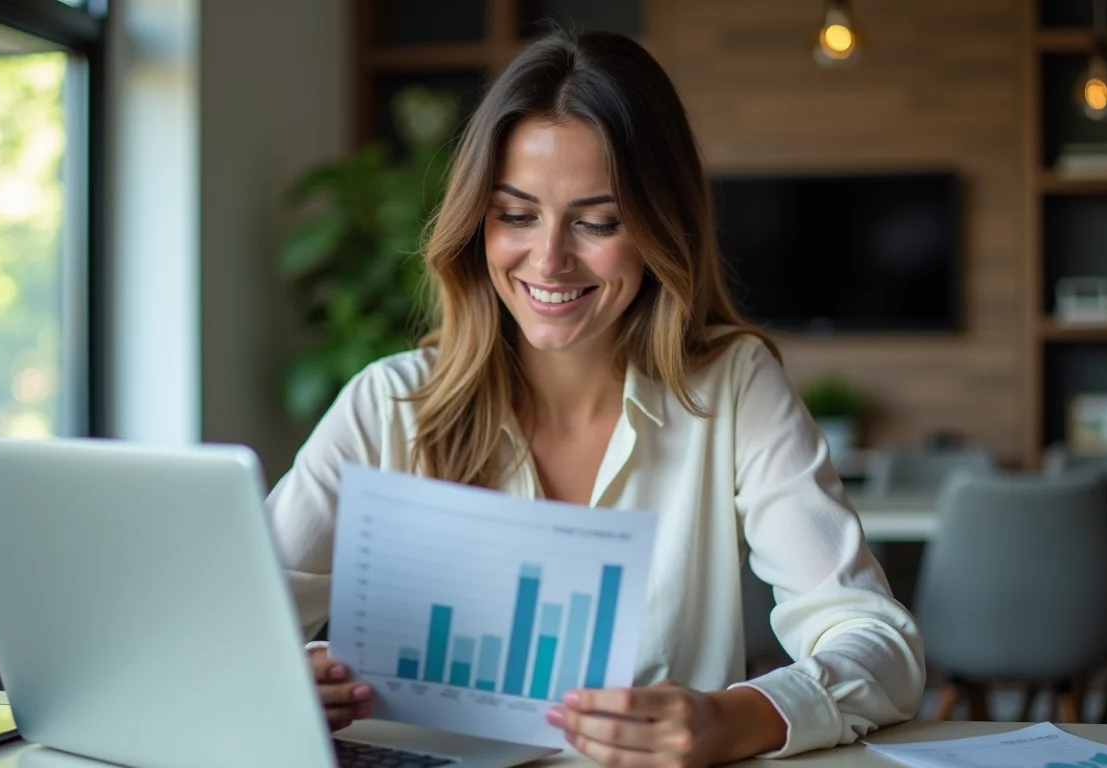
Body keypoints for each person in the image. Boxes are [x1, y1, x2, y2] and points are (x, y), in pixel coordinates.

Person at [266, 29, 925, 766]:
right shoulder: (386, 404)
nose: (548, 259)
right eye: (515, 214)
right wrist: (275, 676)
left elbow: (880, 646)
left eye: (597, 222)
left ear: (658, 226)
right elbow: (222, 622)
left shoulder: (731, 389)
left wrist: (738, 716)